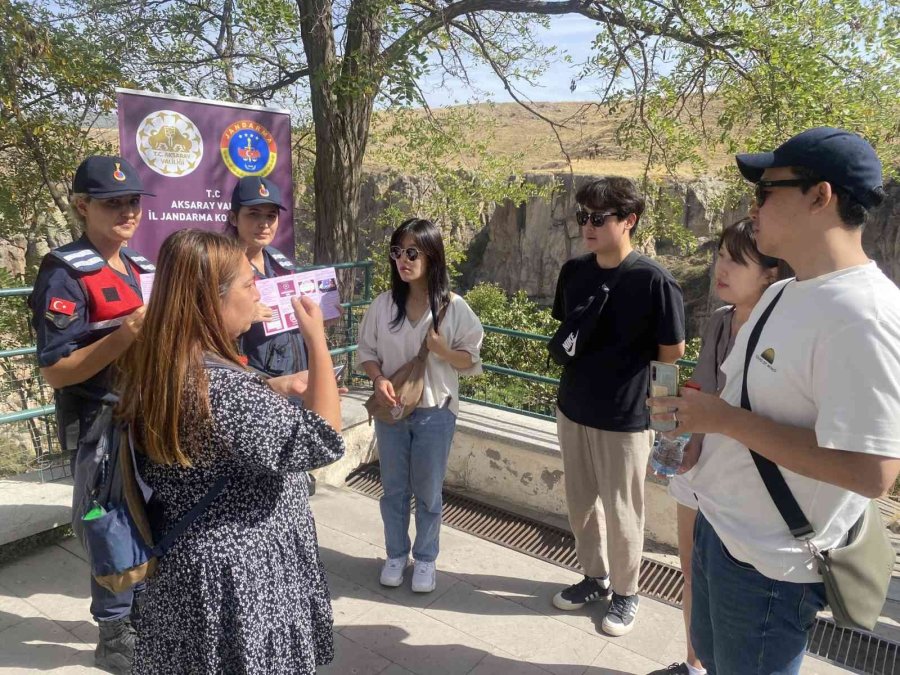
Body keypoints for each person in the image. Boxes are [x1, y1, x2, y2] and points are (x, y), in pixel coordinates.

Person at [648, 127, 900, 674]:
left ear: (820, 196)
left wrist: (724, 420)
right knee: (713, 661)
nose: (753, 206)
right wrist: (695, 426)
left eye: (766, 191)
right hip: (722, 527)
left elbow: (872, 472)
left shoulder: (866, 316)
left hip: (772, 566)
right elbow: (738, 403)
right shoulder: (783, 293)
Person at [116, 229, 344, 673]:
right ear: (209, 300)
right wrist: (316, 338)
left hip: (191, 566)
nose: (257, 291)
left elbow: (214, 425)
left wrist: (269, 386)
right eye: (247, 283)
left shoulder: (160, 364)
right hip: (242, 576)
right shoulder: (223, 389)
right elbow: (323, 438)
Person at [29, 155, 154, 673]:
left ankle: (145, 612)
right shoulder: (65, 273)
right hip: (101, 421)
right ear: (83, 207)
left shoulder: (142, 268)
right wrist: (126, 333)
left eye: (132, 201)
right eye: (112, 203)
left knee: (150, 517)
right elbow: (57, 371)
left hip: (149, 416)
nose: (126, 212)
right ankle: (113, 629)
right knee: (109, 524)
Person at [550, 177, 685, 637]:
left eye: (598, 217)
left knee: (623, 510)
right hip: (573, 409)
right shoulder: (574, 272)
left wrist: (662, 418)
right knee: (580, 504)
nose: (587, 226)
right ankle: (594, 576)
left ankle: (627, 593)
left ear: (629, 221)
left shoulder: (653, 281)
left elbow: (671, 354)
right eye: (582, 216)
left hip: (625, 420)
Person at [648, 218, 780, 675]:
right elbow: (701, 390)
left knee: (732, 591)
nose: (721, 268)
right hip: (700, 467)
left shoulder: (780, 333)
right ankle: (693, 664)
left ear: (770, 273)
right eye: (720, 255)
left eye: (737, 260)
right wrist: (680, 435)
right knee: (693, 573)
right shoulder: (720, 321)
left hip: (746, 482)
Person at [357, 218, 484, 593]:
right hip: (392, 410)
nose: (403, 260)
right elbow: (367, 351)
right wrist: (378, 379)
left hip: (435, 411)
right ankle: (396, 554)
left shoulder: (453, 307)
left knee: (428, 492)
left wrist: (443, 350)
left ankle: (426, 559)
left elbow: (472, 361)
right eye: (397, 252)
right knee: (394, 489)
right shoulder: (383, 305)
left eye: (412, 252)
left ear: (431, 255)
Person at [226, 175, 308, 377]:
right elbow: (200, 328)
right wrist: (240, 318)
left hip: (297, 378)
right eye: (254, 214)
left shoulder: (281, 264)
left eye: (271, 216)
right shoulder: (221, 266)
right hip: (253, 384)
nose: (264, 224)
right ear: (233, 218)